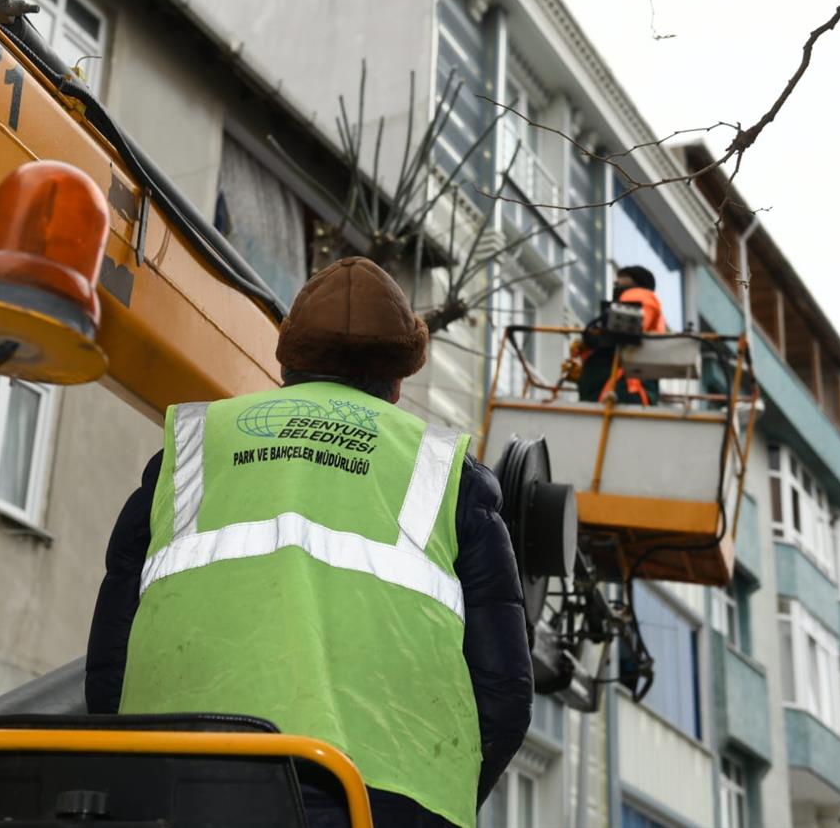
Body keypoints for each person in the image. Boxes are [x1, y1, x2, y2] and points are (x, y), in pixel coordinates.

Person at [85, 257, 533, 828]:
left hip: (177, 790)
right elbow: (505, 694)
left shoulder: (194, 446)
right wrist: (437, 800)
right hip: (378, 800)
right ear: (398, 379)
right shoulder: (446, 471)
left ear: (287, 362)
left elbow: (110, 658)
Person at [576, 264, 668, 405]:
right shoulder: (622, 305)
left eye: (623, 277)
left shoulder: (640, 295)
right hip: (612, 387)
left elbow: (629, 328)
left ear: (638, 282)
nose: (616, 282)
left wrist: (595, 340)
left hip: (625, 386)